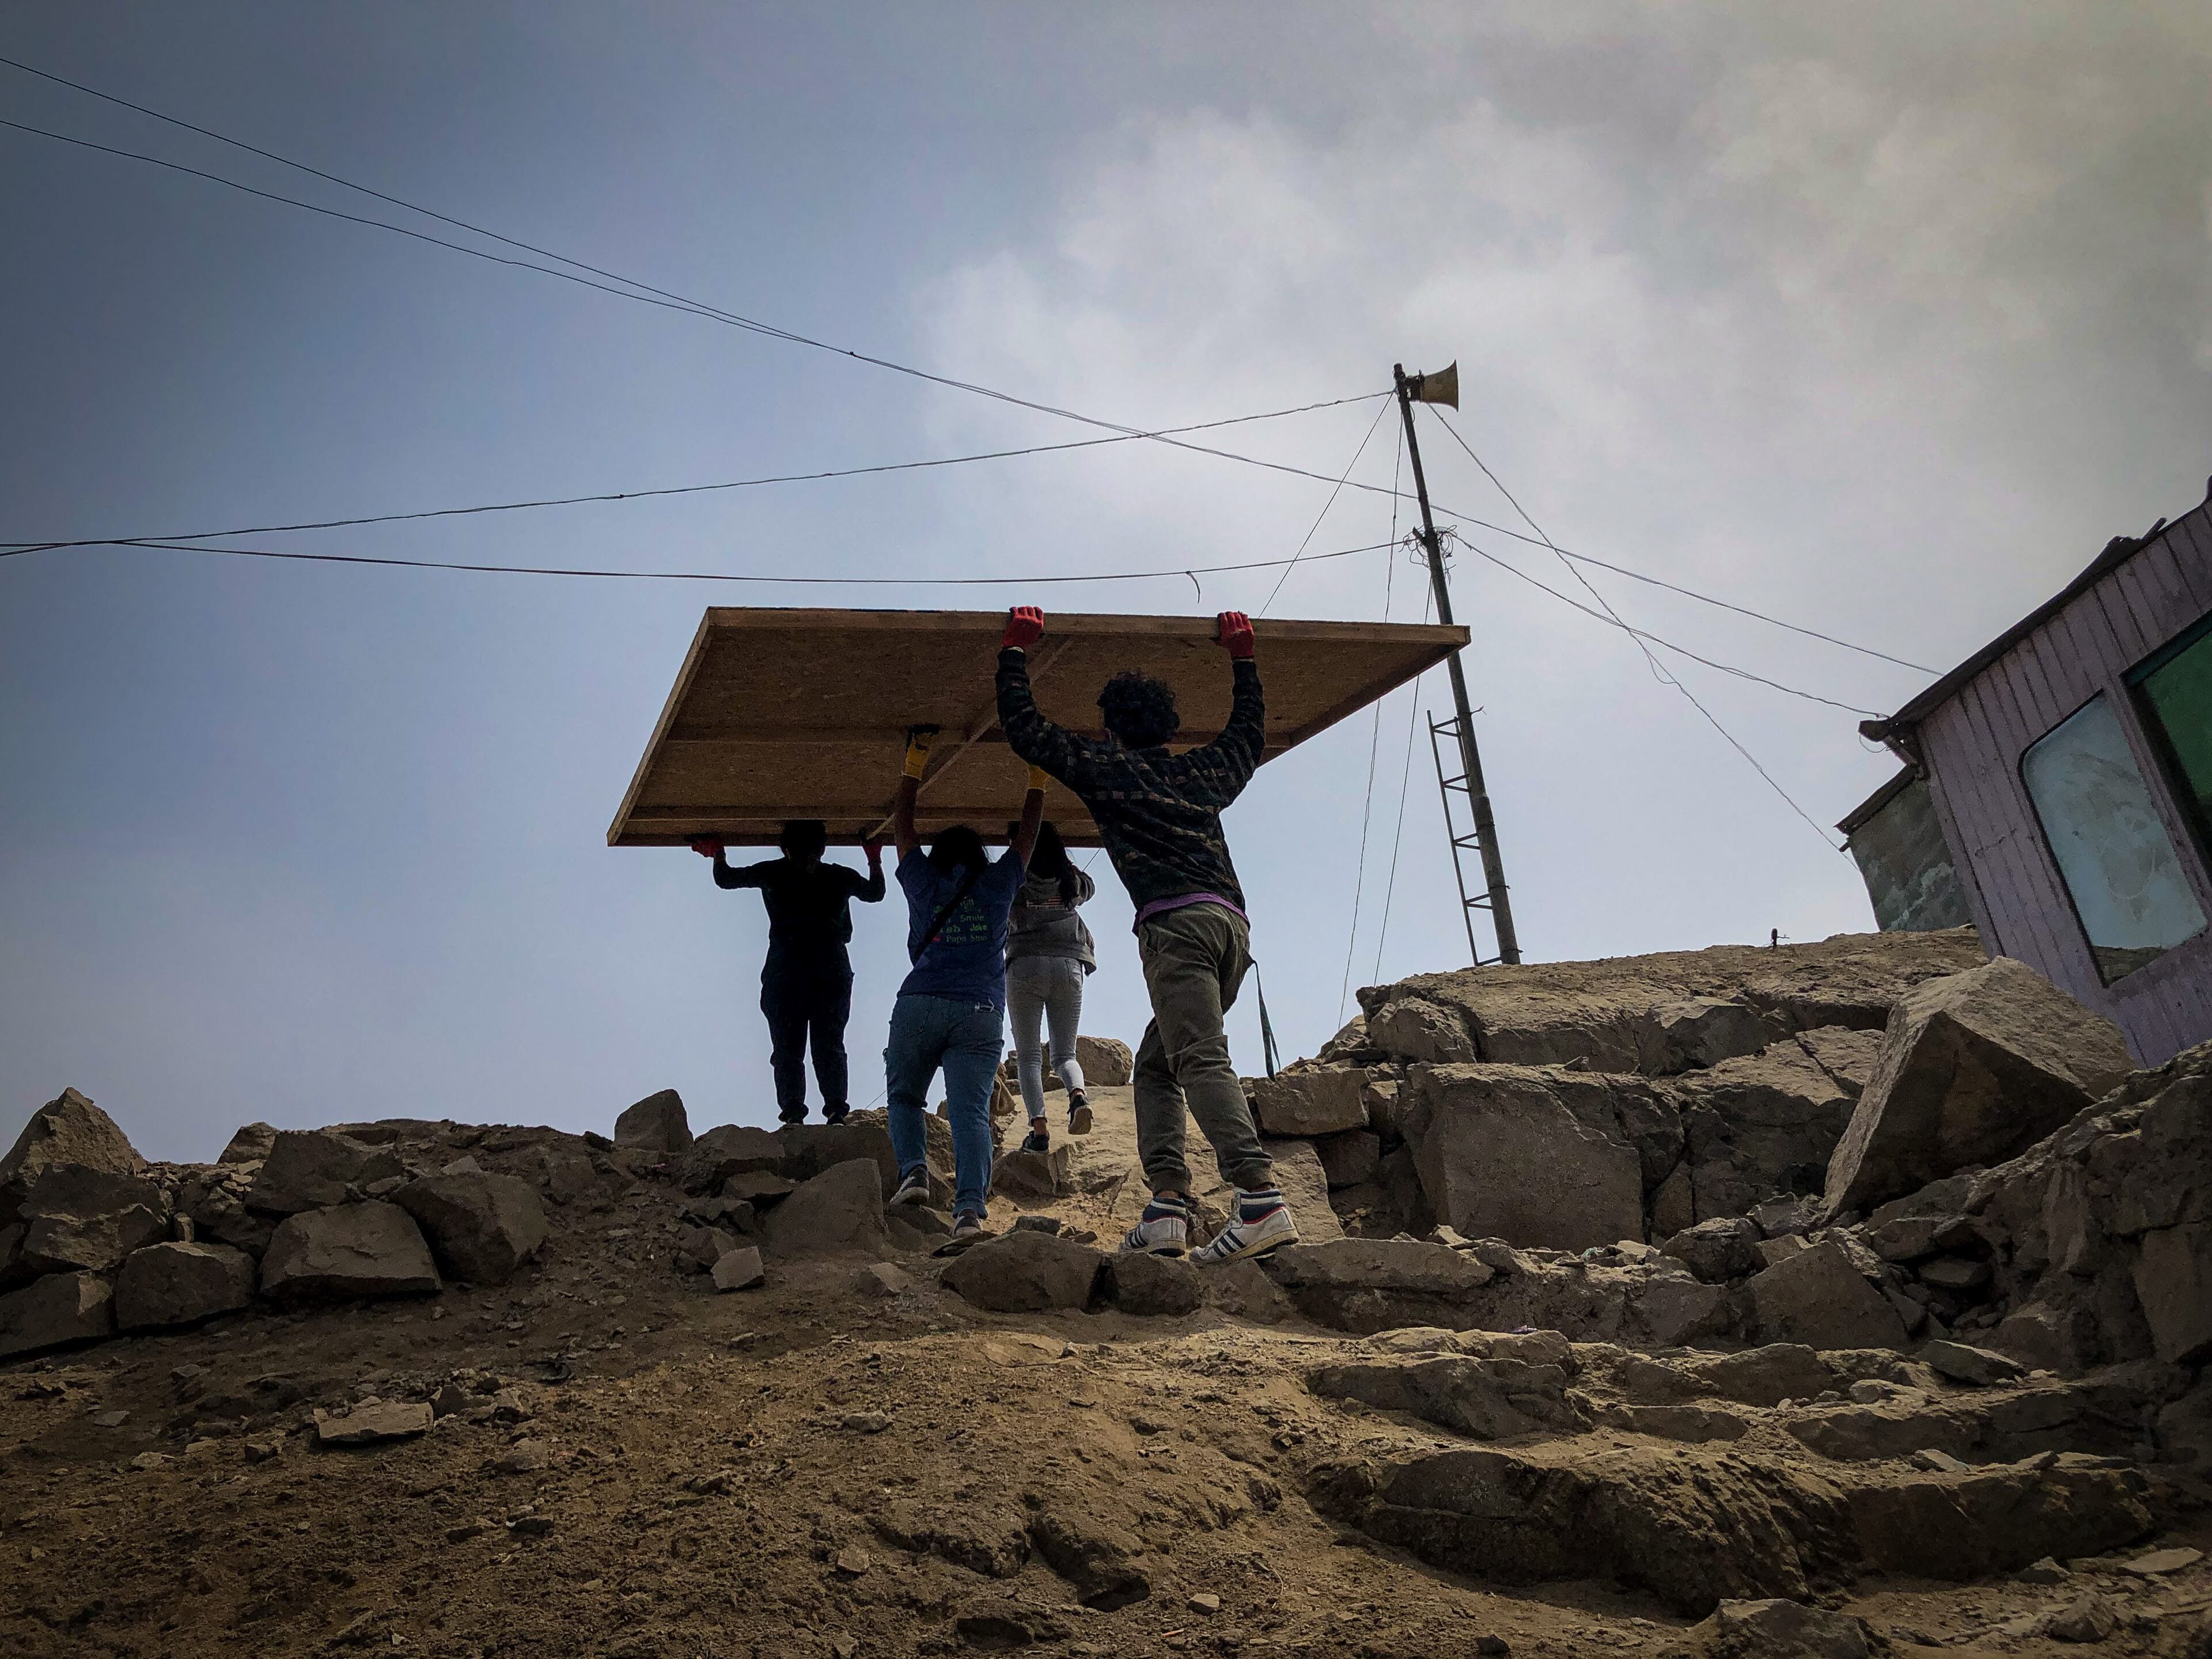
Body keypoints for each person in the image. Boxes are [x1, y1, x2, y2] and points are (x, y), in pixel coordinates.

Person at [995, 604, 1298, 1265]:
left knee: (1200, 1058)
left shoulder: (1110, 773)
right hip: (1230, 932)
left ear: (1107, 732)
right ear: (1171, 728)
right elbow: (1248, 734)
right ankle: (1166, 1208)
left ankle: (1260, 1199)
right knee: (1159, 1066)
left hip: (1178, 933)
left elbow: (1028, 731)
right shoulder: (1202, 773)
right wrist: (1242, 657)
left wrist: (1016, 650)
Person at [882, 726, 1043, 1249]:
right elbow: (1027, 839)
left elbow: (902, 830)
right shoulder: (998, 886)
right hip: (978, 1011)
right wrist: (1036, 776)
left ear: (938, 855)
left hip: (920, 1002)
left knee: (906, 1096)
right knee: (971, 1113)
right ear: (979, 856)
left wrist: (914, 763)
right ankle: (969, 1212)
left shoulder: (923, 882)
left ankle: (914, 1172)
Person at [691, 821, 884, 1126]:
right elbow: (876, 892)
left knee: (787, 1047)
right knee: (828, 1043)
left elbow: (725, 879)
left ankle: (794, 1115)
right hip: (829, 967)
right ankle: (835, 1111)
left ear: (785, 849)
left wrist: (717, 852)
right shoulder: (837, 876)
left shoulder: (774, 872)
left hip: (787, 968)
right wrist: (874, 857)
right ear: (822, 849)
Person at [1003, 820, 1097, 1153]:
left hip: (1024, 966)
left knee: (1029, 1057)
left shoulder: (1012, 878)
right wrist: (1066, 864)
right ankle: (1078, 1097)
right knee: (1064, 1054)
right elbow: (1091, 886)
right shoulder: (1069, 880)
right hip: (1068, 966)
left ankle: (1039, 1130)